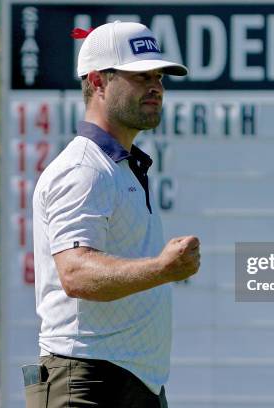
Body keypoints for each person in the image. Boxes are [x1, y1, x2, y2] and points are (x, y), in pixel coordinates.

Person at [27, 21, 200, 408]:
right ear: (98, 82)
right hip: (85, 382)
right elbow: (75, 273)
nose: (156, 86)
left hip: (127, 382)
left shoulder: (117, 166)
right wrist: (162, 268)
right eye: (140, 76)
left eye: (159, 76)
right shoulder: (84, 169)